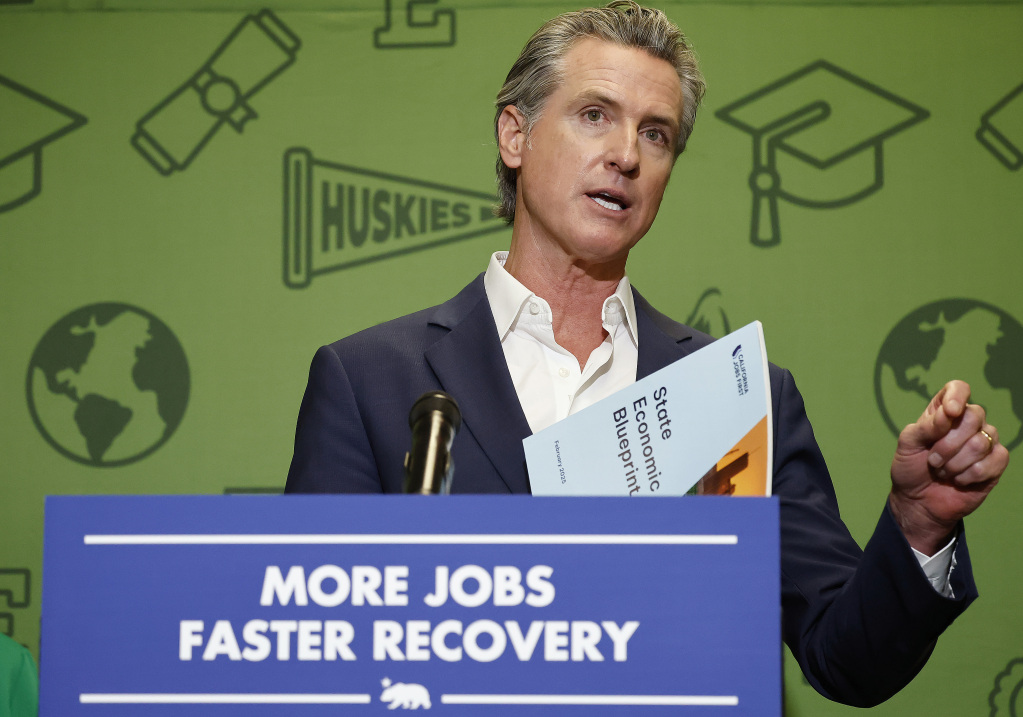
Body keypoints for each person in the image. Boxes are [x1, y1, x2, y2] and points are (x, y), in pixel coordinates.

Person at [285, 1, 1008, 707]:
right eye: (594, 114)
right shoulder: (370, 381)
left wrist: (918, 524)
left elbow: (843, 659)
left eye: (656, 134)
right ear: (515, 134)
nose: (625, 156)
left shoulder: (736, 394)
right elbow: (312, 648)